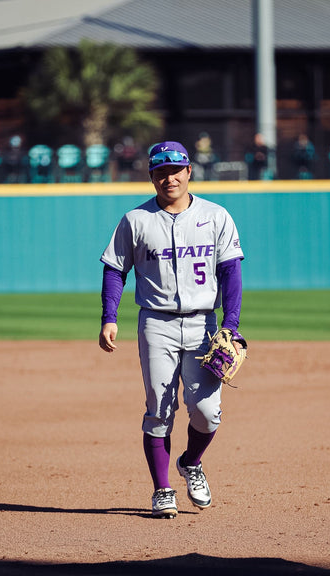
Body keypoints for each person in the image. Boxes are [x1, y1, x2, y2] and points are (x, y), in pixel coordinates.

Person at [99, 141, 245, 518]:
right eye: (161, 172)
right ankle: (162, 490)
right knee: (159, 410)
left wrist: (230, 325)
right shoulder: (135, 220)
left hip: (203, 325)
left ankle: (190, 462)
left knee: (207, 413)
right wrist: (109, 317)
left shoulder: (216, 216)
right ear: (151, 177)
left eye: (176, 170)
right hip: (156, 324)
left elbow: (231, 272)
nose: (169, 178)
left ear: (189, 171)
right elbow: (115, 269)